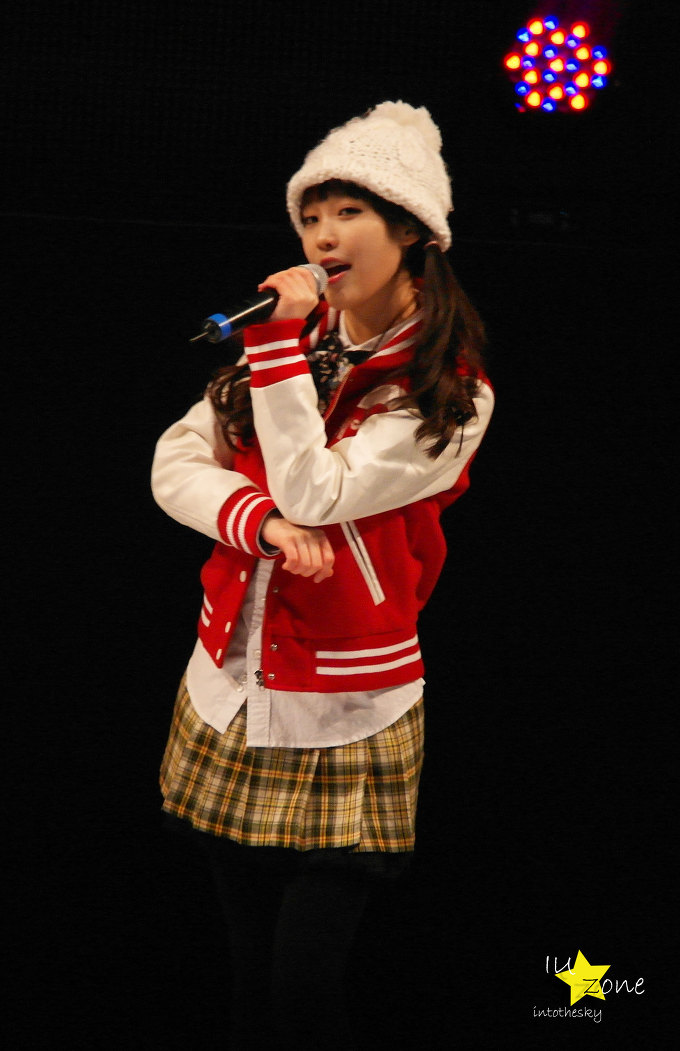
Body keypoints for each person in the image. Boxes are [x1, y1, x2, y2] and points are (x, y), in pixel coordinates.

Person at [151, 100, 494, 1049]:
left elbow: (318, 487)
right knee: (243, 976)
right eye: (310, 217)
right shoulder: (294, 345)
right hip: (229, 682)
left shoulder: (451, 390)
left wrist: (273, 350)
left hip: (347, 707)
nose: (322, 237)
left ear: (412, 231)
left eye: (349, 213)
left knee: (304, 992)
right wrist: (256, 521)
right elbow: (175, 462)